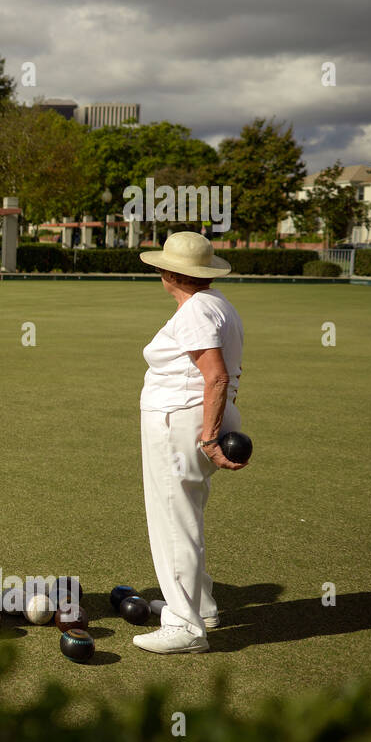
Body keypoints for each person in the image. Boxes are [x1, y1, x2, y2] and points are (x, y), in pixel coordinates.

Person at [135, 231, 249, 654]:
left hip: (181, 423)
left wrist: (208, 436)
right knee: (187, 514)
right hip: (196, 418)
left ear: (169, 273)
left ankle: (185, 626)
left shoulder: (197, 312)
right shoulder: (218, 304)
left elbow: (216, 375)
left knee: (173, 519)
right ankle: (199, 606)